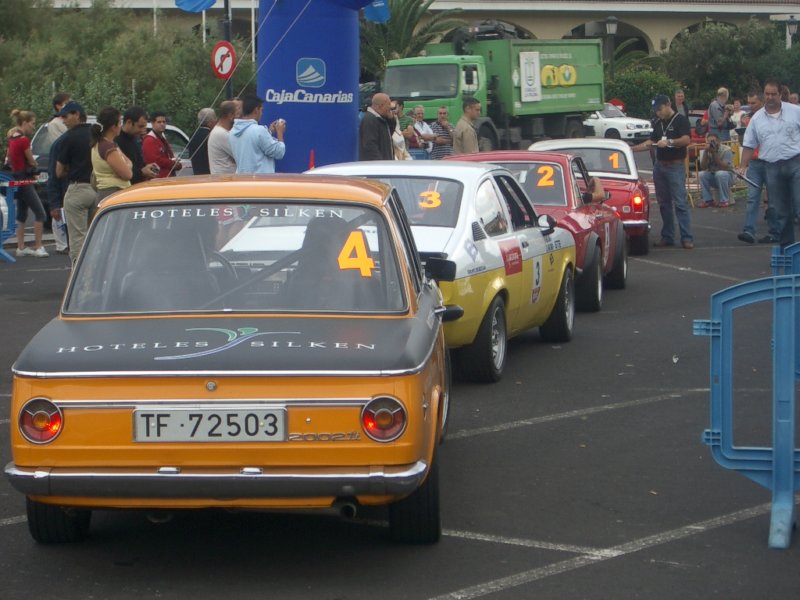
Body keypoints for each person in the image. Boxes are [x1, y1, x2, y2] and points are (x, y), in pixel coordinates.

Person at [738, 80, 800, 248]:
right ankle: (787, 250)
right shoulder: (757, 118)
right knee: (780, 211)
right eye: (767, 94)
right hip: (772, 166)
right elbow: (749, 144)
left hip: (795, 162)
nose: (770, 97)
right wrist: (742, 166)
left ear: (780, 94)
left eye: (774, 94)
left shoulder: (795, 111)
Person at [631, 94, 693, 249]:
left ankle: (686, 237)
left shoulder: (680, 120)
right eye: (656, 110)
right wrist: (631, 149)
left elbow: (686, 139)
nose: (658, 113)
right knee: (663, 203)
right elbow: (651, 141)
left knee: (680, 202)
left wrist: (670, 141)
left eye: (660, 109)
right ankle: (667, 236)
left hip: (675, 165)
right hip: (660, 166)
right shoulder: (658, 123)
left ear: (668, 105)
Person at [56, 101, 96, 264]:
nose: (63, 120)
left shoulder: (69, 137)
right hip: (97, 188)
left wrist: (70, 169)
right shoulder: (96, 134)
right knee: (95, 236)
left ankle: (79, 275)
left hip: (78, 188)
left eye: (66, 116)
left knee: (78, 239)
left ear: (77, 115)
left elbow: (59, 171)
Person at [7, 110, 48, 257]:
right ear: (24, 123)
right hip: (26, 180)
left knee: (22, 213)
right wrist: (35, 165)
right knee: (40, 213)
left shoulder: (12, 138)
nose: (33, 127)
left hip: (16, 179)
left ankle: (21, 247)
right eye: (32, 123)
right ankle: (39, 247)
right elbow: (31, 161)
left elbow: (9, 159)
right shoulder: (24, 140)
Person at [737, 91, 774, 244]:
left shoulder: (769, 117)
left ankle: (774, 231)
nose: (750, 106)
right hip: (754, 162)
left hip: (770, 161)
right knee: (752, 197)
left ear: (761, 102)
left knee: (773, 198)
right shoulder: (749, 119)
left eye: (754, 103)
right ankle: (749, 230)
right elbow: (745, 143)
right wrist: (743, 165)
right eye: (749, 103)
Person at [230, 94, 286, 174]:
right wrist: (280, 133)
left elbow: (253, 145)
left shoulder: (232, 132)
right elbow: (279, 152)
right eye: (261, 110)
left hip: (242, 178)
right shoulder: (259, 130)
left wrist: (269, 132)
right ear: (256, 110)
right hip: (260, 179)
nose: (261, 113)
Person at [90, 106, 133, 202]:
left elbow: (128, 162)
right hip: (113, 192)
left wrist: (127, 165)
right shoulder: (108, 148)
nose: (121, 126)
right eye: (120, 123)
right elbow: (128, 174)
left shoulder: (101, 143)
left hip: (107, 192)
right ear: (113, 127)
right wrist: (128, 166)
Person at [115, 106, 159, 184]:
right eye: (140, 126)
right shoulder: (116, 141)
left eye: (144, 127)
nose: (143, 130)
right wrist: (141, 172)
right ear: (129, 122)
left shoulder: (135, 139)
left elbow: (138, 163)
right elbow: (119, 172)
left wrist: (149, 168)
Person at [697, 133, 734, 208]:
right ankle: (708, 200)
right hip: (713, 175)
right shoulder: (707, 150)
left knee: (720, 174)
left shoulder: (726, 150)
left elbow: (723, 167)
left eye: (713, 141)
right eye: (709, 141)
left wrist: (714, 153)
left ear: (719, 141)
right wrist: (705, 152)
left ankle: (724, 200)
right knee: (701, 174)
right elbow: (703, 167)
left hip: (727, 177)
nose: (711, 143)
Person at [142, 111, 181, 177]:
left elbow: (170, 156)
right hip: (158, 178)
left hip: (168, 176)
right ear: (152, 123)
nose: (162, 124)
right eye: (159, 122)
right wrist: (172, 163)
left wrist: (177, 163)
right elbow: (154, 160)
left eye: (164, 122)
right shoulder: (149, 140)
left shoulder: (162, 138)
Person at [208, 99, 240, 175]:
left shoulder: (219, 131)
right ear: (230, 115)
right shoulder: (221, 134)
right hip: (224, 179)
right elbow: (240, 156)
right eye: (236, 115)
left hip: (224, 178)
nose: (238, 119)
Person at [358, 92, 393, 161]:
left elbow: (389, 135)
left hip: (384, 163)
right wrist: (380, 164)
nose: (390, 107)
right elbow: (370, 146)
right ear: (380, 106)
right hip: (377, 165)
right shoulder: (370, 120)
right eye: (388, 104)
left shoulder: (381, 119)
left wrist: (391, 120)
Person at [187, 107, 216, 175]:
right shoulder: (211, 136)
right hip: (209, 173)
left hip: (196, 172)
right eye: (215, 119)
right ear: (210, 122)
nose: (216, 121)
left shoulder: (193, 135)